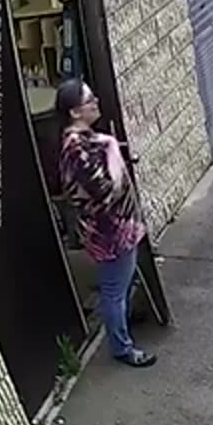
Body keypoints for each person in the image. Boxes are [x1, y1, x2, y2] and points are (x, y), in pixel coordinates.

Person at [55, 79, 157, 368]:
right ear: (75, 112)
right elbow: (104, 190)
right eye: (90, 101)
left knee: (120, 286)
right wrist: (113, 152)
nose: (96, 102)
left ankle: (122, 324)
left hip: (118, 228)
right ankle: (122, 348)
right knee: (113, 291)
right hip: (111, 233)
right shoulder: (75, 148)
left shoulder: (86, 140)